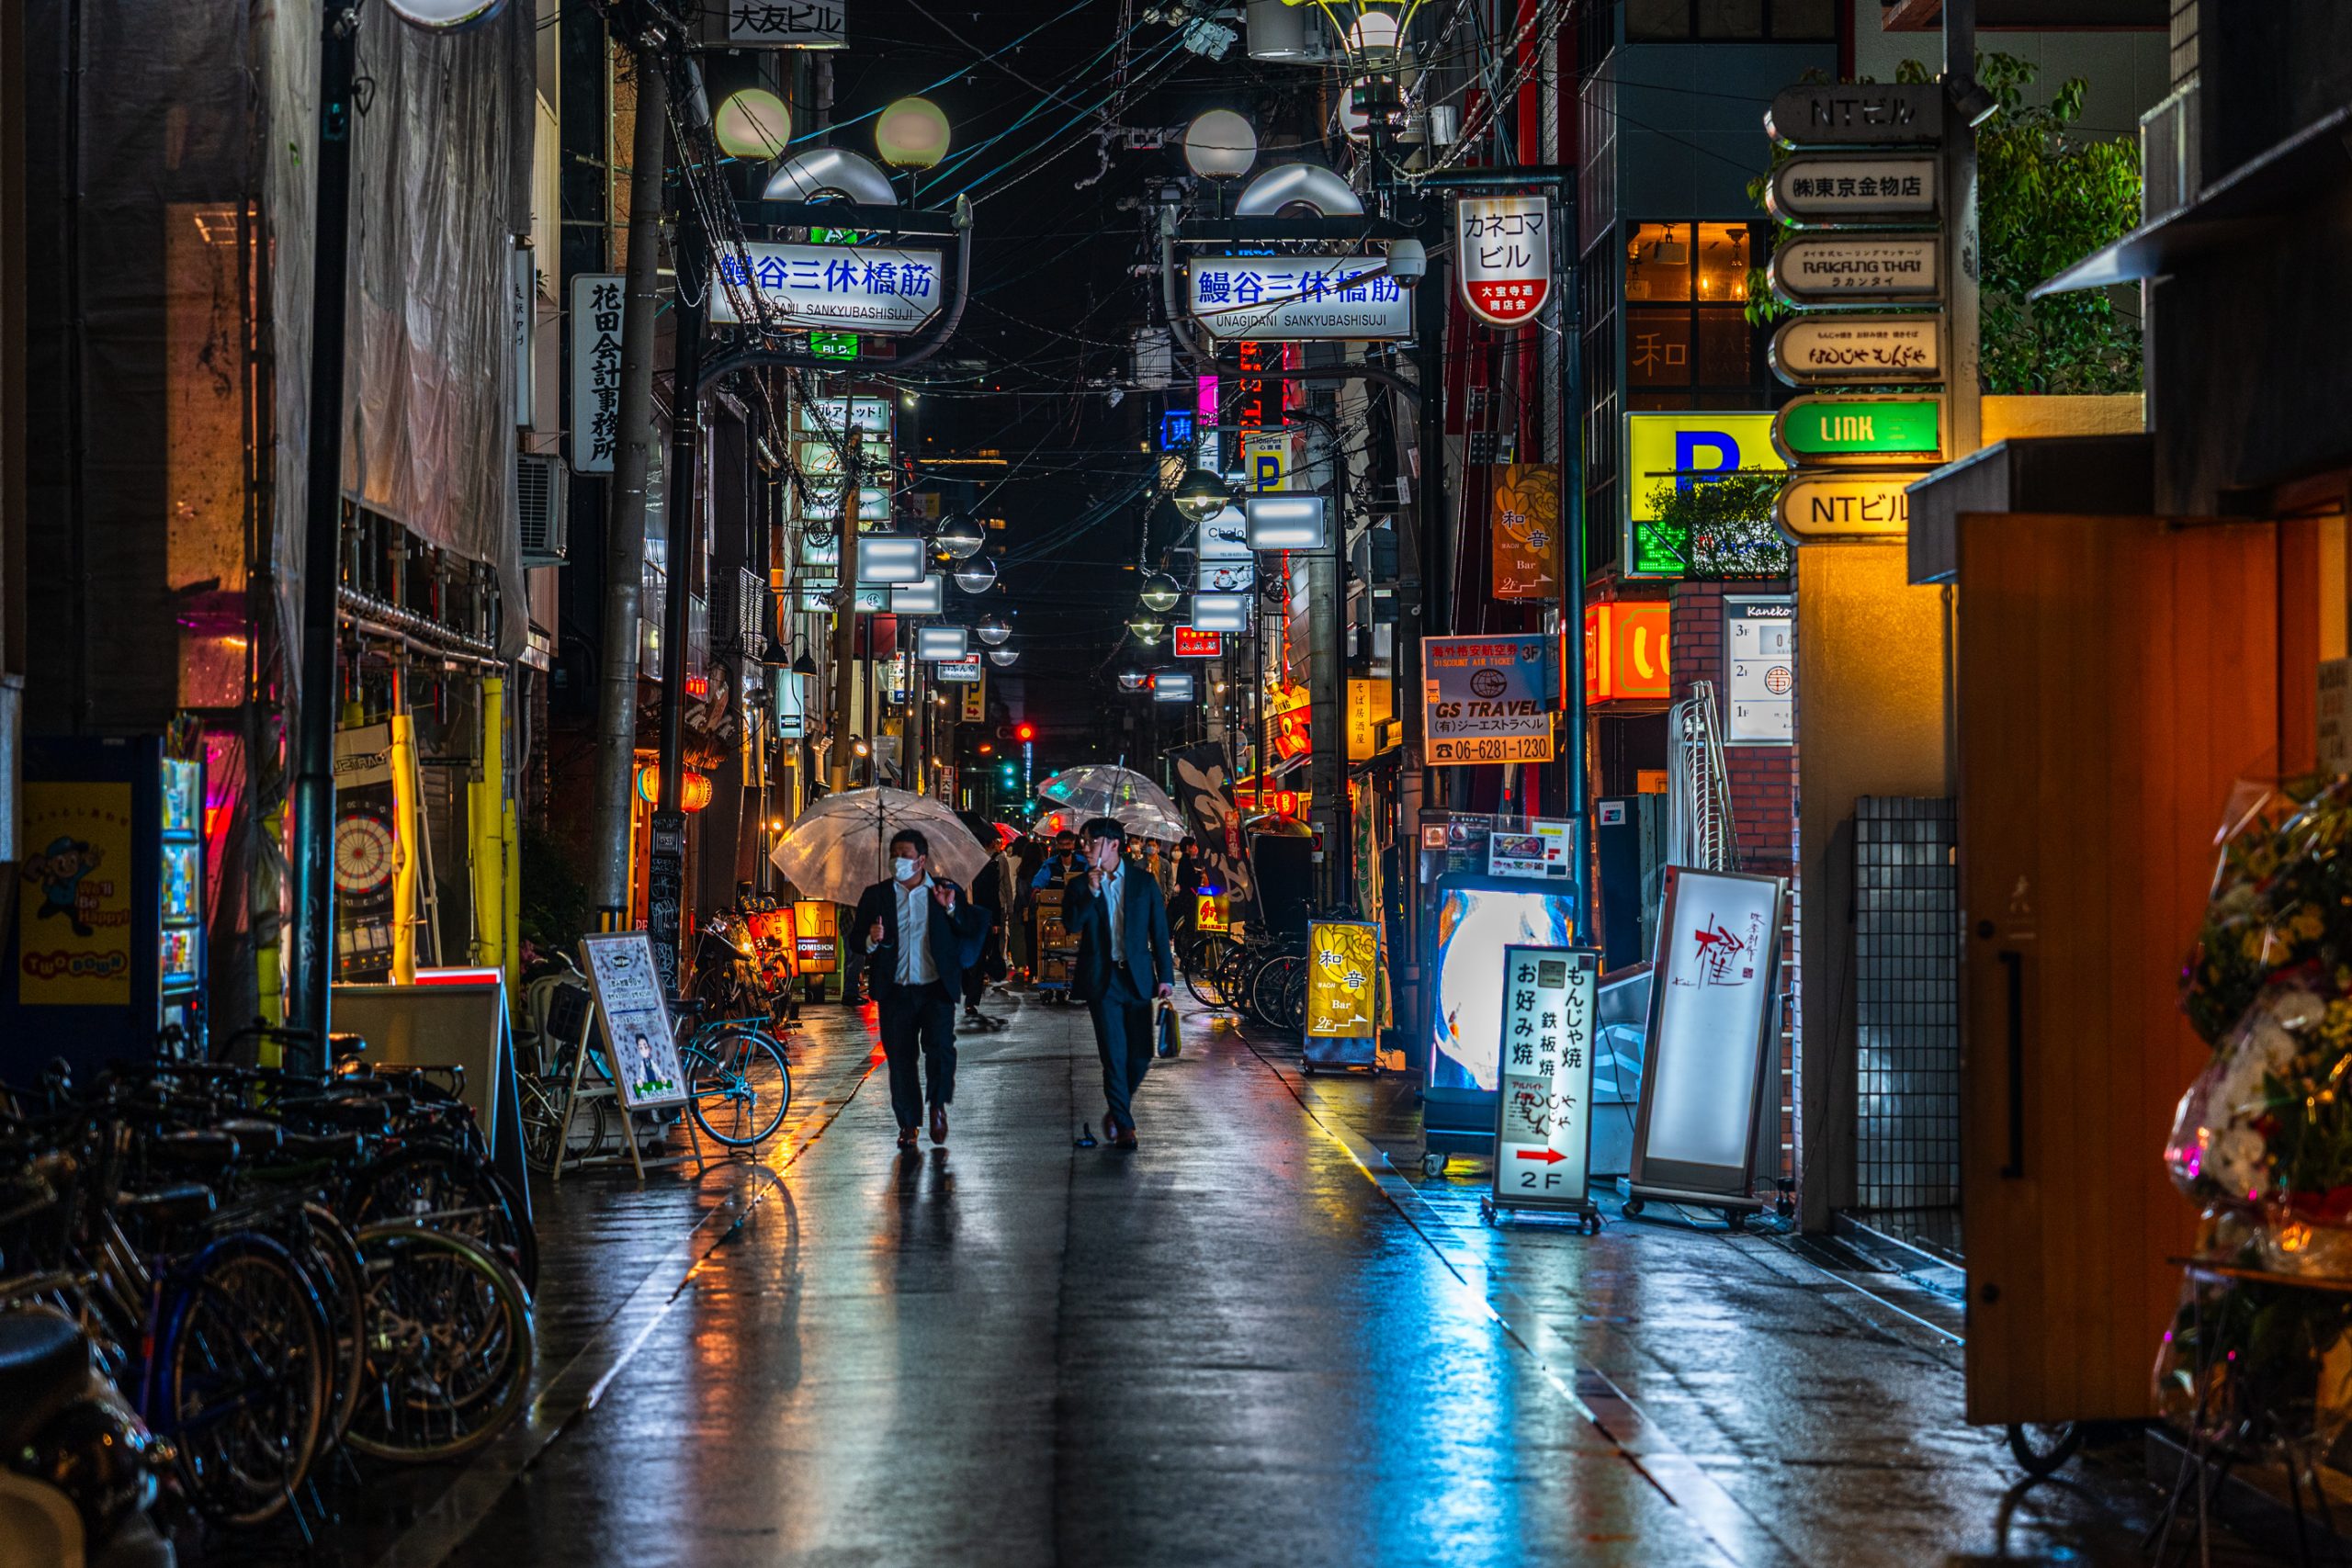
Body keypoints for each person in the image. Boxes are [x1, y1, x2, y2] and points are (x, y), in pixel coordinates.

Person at [849, 829, 989, 1149]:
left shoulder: (944, 890)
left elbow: (967, 928)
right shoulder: (876, 896)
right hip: (895, 991)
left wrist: (951, 909)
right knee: (900, 1059)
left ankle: (938, 1106)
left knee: (940, 1051)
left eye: (905, 854)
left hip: (935, 988)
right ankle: (908, 1123)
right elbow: (855, 939)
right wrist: (872, 937)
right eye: (894, 854)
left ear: (922, 859)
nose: (898, 860)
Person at [1062, 817, 1175, 1150]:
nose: (1085, 847)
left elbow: (1159, 932)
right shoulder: (1080, 885)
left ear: (1113, 844)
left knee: (1140, 1055)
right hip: (1102, 980)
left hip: (1138, 978)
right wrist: (1091, 893)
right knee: (1114, 1054)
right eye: (1083, 842)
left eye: (1091, 842)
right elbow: (1071, 924)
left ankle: (1117, 1107)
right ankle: (1125, 1125)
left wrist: (1166, 977)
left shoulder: (1144, 882)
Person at [964, 838, 1015, 1026]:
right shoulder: (958, 867)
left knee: (977, 961)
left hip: (980, 918)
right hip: (962, 917)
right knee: (967, 961)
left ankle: (971, 1001)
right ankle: (967, 990)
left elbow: (993, 894)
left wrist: (995, 921)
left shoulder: (990, 866)